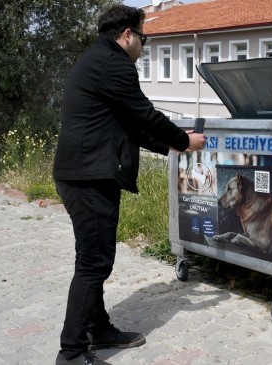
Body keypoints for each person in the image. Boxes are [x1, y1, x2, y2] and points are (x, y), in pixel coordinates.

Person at [52, 4, 206, 365]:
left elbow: (130, 126)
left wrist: (171, 144)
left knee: (92, 259)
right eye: (144, 38)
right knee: (93, 264)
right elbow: (145, 114)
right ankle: (71, 352)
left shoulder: (96, 59)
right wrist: (184, 143)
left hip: (82, 173)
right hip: (89, 177)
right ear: (128, 35)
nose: (143, 46)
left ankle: (99, 328)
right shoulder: (115, 64)